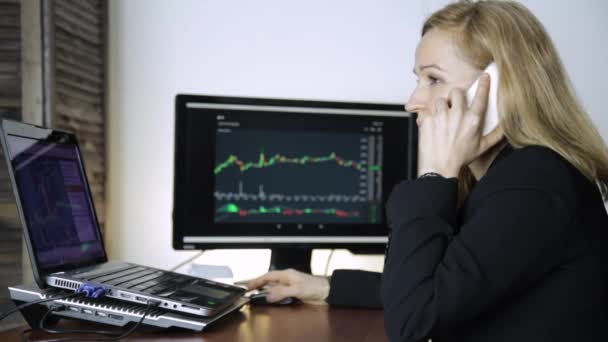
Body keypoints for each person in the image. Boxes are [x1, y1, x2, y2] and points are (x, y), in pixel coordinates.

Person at [247, 0, 608, 340]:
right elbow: (445, 286)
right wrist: (324, 286)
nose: (412, 101)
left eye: (433, 79)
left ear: (499, 90)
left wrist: (435, 173)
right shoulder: (515, 174)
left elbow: (413, 319)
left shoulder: (533, 185)